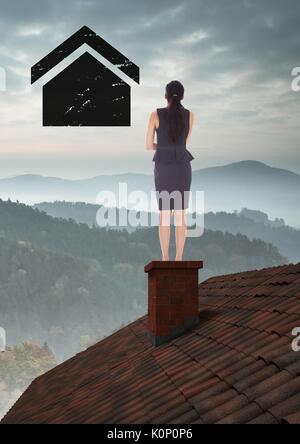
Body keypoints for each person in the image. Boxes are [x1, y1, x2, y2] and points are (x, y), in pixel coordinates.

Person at [146, 80, 195, 261]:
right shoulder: (191, 116)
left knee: (165, 214)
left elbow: (148, 145)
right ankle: (179, 258)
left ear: (166, 95)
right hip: (182, 165)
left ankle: (165, 258)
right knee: (181, 214)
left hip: (163, 165)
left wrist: (164, 146)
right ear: (182, 96)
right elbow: (184, 143)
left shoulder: (155, 115)